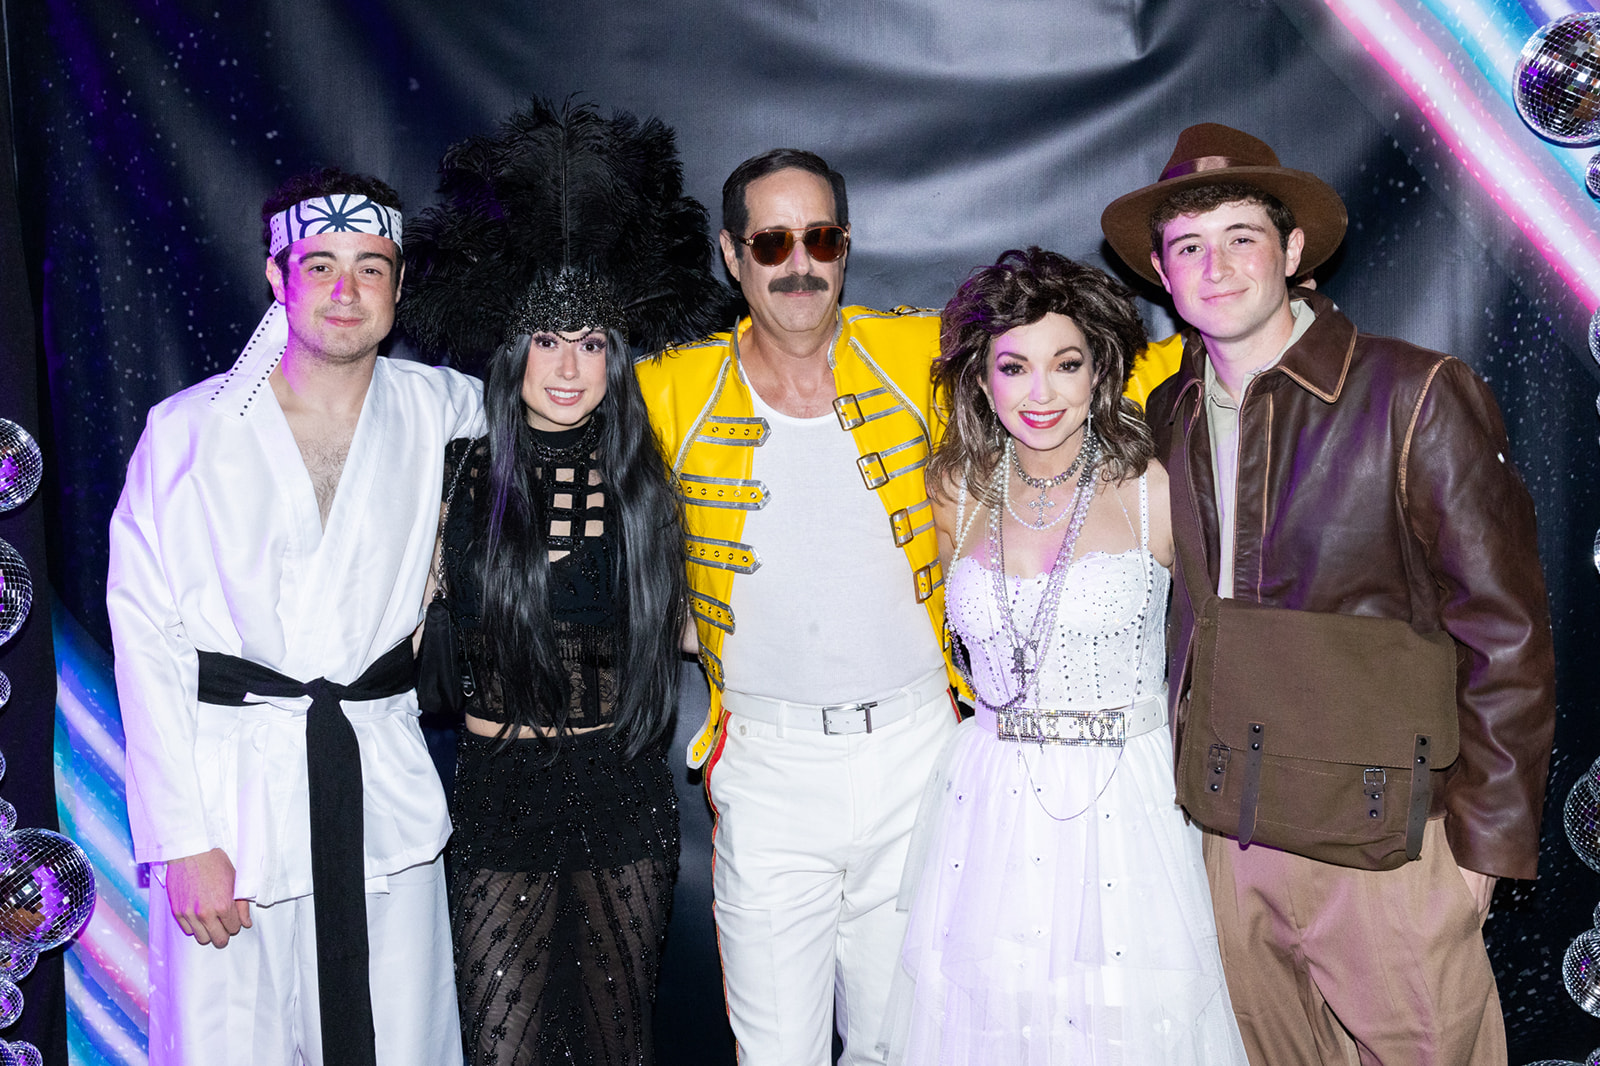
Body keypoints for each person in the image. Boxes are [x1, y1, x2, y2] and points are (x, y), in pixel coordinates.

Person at [1100, 123, 1555, 1064]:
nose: (1216, 266)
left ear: (1293, 250)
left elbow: (1506, 633)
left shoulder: (1414, 394)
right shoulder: (1168, 414)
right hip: (1231, 835)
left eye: (1241, 236)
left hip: (1389, 843)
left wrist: (1483, 850)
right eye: (1189, 246)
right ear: (1162, 274)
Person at [107, 167, 483, 1066]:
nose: (346, 291)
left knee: (400, 1044)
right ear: (276, 276)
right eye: (320, 265)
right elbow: (146, 639)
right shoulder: (187, 432)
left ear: (400, 284)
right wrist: (182, 843)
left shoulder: (448, 409)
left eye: (371, 267)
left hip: (380, 795)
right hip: (230, 811)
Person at [398, 98, 727, 1066]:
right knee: (505, 1048)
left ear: (617, 354)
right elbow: (397, 624)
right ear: (513, 351)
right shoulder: (455, 472)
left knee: (615, 1044)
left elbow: (704, 630)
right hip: (498, 794)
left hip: (622, 789)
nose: (569, 366)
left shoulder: (652, 482)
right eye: (548, 340)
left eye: (590, 342)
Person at [881, 246, 1247, 1064]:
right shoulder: (954, 490)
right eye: (1014, 367)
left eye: (1066, 364)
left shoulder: (1153, 488)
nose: (1041, 393)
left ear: (1100, 372)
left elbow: (1224, 646)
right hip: (989, 802)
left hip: (1126, 802)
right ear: (982, 382)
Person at [635, 148, 960, 1066]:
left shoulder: (923, 355)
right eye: (773, 242)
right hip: (770, 769)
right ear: (732, 255)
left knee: (903, 1049)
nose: (800, 264)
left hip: (918, 756)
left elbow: (1098, 367)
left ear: (846, 247)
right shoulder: (669, 389)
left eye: (821, 238)